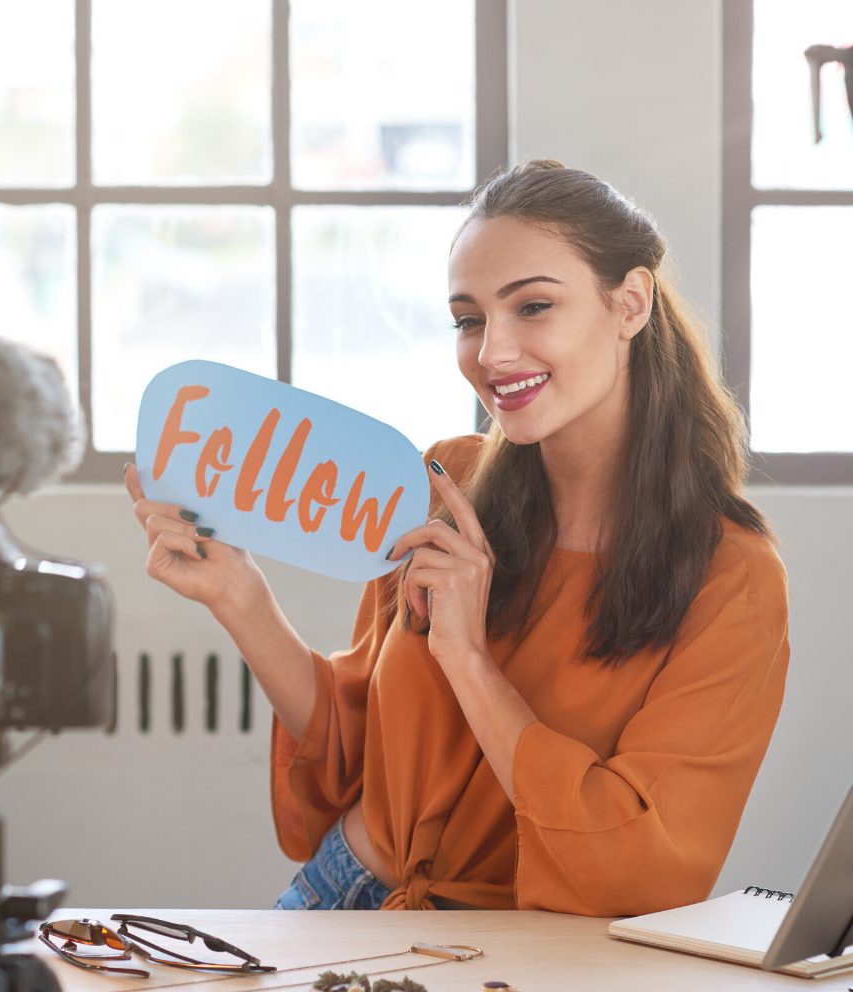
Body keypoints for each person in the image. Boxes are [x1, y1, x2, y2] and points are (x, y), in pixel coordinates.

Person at [123, 160, 790, 916]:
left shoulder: (732, 578)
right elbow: (353, 753)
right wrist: (236, 594)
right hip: (337, 900)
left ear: (629, 303)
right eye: (469, 319)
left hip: (522, 968)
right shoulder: (445, 482)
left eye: (533, 307)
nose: (493, 353)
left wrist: (468, 659)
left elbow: (634, 867)